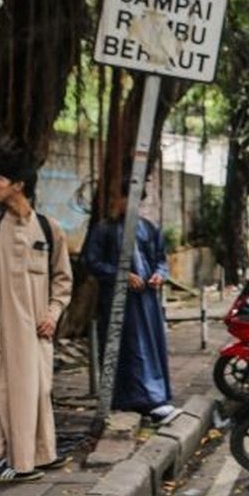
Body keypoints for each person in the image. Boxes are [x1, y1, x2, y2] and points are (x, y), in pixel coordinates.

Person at [0, 154, 73, 482]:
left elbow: (63, 279)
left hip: (36, 330)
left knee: (37, 391)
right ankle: (2, 461)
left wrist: (53, 313)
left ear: (19, 185)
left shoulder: (50, 230)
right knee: (0, 393)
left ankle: (40, 454)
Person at [81, 181, 176, 423]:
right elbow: (91, 262)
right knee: (125, 349)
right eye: (125, 199)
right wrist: (121, 275)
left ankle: (154, 398)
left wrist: (159, 275)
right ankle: (126, 399)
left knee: (150, 347)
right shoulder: (104, 230)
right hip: (117, 302)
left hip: (146, 300)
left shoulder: (149, 229)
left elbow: (161, 260)